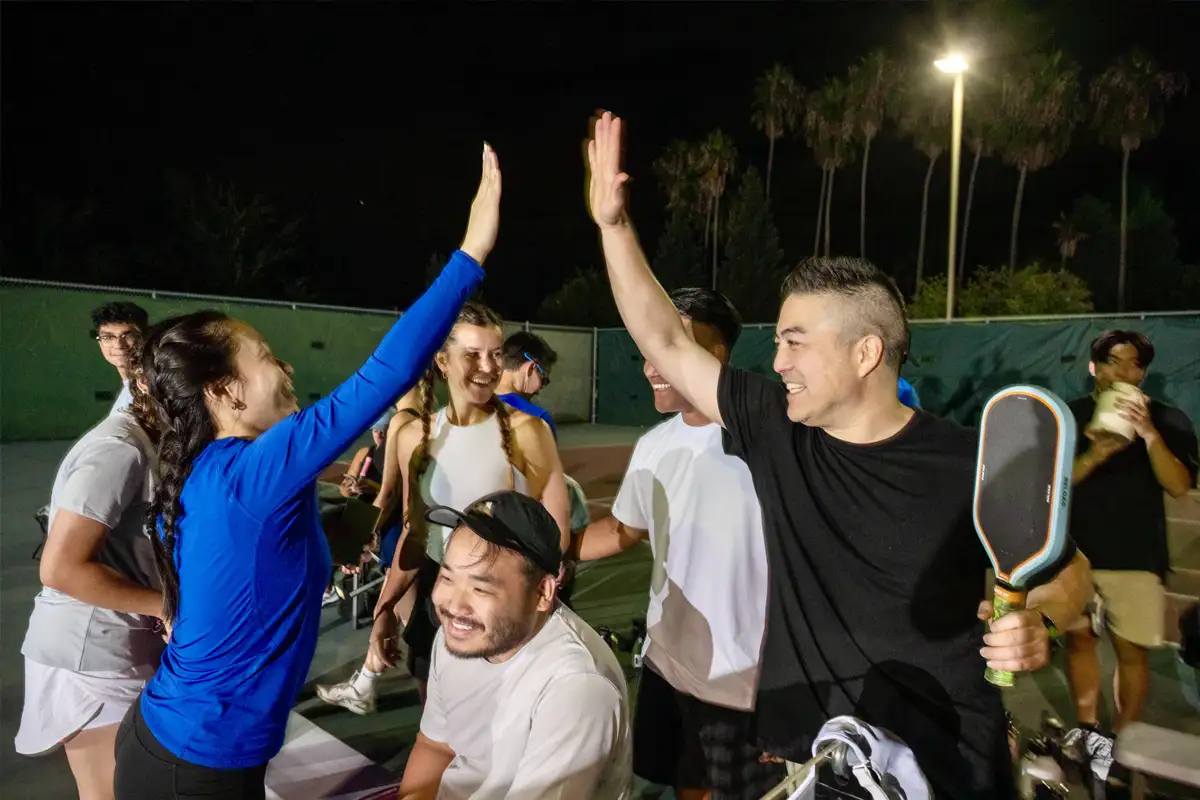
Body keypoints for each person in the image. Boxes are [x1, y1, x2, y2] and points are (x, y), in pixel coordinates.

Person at [585, 111, 1092, 798]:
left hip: (941, 767)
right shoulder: (776, 430)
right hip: (806, 759)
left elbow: (1069, 574)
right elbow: (668, 345)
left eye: (797, 341)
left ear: (865, 353)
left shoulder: (969, 461)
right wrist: (614, 226)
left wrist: (1043, 626)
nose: (778, 358)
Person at [111, 143, 502, 800]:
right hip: (195, 771)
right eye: (265, 357)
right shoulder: (253, 473)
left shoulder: (211, 476)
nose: (285, 368)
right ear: (224, 391)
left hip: (185, 750)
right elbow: (384, 376)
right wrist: (472, 255)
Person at [572, 286, 781, 799]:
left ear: (717, 355)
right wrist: (538, 551)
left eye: (671, 344)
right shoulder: (654, 445)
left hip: (745, 678)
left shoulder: (771, 435)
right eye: (649, 346)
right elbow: (622, 531)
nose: (653, 363)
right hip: (669, 663)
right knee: (685, 781)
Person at [315, 303, 569, 714]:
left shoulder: (529, 432)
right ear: (442, 360)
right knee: (439, 725)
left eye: (495, 353)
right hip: (438, 606)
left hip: (505, 612)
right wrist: (384, 612)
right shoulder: (412, 435)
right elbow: (416, 537)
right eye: (473, 354)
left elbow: (557, 537)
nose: (488, 366)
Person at [397, 490, 631, 799]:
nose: (453, 605)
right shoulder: (460, 633)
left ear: (543, 593)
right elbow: (436, 746)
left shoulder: (576, 686)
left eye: (480, 588)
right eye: (448, 578)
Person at [16, 380, 165, 800]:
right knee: (110, 791)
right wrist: (167, 607)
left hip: (119, 644)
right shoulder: (119, 450)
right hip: (89, 654)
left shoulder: (152, 444)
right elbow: (60, 567)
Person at [1062, 330, 1198, 777]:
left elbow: (1179, 486)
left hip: (1136, 556)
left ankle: (1121, 742)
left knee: (1131, 654)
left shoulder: (1168, 419)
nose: (1125, 372)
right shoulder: (1069, 416)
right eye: (1114, 362)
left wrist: (1148, 432)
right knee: (1080, 641)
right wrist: (1095, 453)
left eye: (1134, 364)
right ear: (1094, 367)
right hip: (1075, 556)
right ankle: (1086, 729)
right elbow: (1053, 487)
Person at [496, 330, 558, 438]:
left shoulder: (472, 407)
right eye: (544, 380)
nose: (539, 390)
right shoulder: (538, 419)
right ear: (530, 369)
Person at [92, 301, 149, 415]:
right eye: (108, 337)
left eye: (128, 336)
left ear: (144, 337)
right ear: (100, 342)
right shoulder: (128, 389)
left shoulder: (153, 387)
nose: (119, 345)